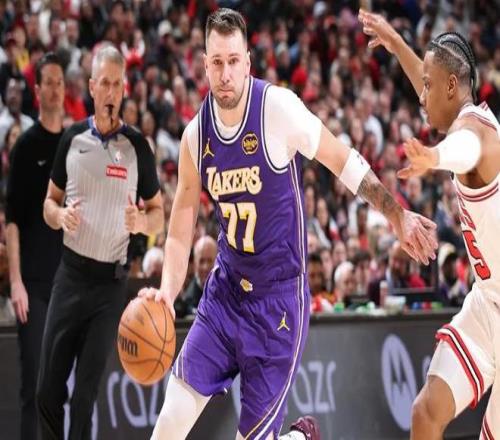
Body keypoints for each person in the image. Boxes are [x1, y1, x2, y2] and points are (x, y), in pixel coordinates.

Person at [141, 8, 436, 440]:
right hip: (224, 294)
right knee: (167, 426)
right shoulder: (194, 136)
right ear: (204, 65)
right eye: (217, 62)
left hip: (277, 303)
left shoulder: (276, 110)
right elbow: (181, 221)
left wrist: (396, 213)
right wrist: (167, 292)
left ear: (248, 62)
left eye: (233, 61)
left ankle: (299, 437)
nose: (225, 73)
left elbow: (341, 159)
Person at [360, 8, 500, 439]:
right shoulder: (464, 113)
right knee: (425, 412)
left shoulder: (478, 133)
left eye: (428, 86)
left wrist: (435, 158)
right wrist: (396, 43)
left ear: (452, 87)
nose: (421, 96)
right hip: (487, 302)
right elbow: (430, 76)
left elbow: (465, 150)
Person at [36, 45, 164, 439]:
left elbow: (159, 213)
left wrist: (140, 221)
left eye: (116, 84)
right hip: (70, 277)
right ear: (91, 87)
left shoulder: (138, 147)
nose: (110, 91)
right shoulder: (72, 138)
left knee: (84, 397)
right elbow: (48, 202)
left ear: (124, 89)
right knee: (47, 391)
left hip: (109, 287)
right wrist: (59, 216)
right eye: (103, 83)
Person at [5, 52, 65, 440]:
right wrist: (16, 282)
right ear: (38, 90)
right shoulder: (25, 147)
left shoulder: (77, 144)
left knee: (60, 391)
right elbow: (12, 220)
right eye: (49, 83)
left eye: (61, 82)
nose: (56, 89)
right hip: (34, 286)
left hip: (69, 285)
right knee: (34, 388)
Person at [182, 235, 217, 315]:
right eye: (201, 261)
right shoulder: (186, 302)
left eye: (210, 261)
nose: (205, 267)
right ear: (195, 264)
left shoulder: (229, 295)